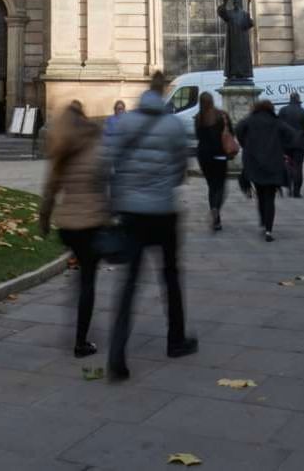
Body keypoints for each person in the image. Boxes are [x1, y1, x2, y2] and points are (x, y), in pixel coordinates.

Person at [104, 70, 197, 381]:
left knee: (128, 284)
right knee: (170, 277)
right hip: (162, 211)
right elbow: (181, 168)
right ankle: (176, 340)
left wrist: (122, 195)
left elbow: (111, 162)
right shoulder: (174, 125)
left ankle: (117, 355)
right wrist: (161, 184)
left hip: (131, 212)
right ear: (164, 93)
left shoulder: (126, 121)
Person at [38, 100, 110, 358]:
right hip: (90, 223)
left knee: (80, 273)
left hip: (68, 226)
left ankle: (75, 319)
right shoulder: (96, 146)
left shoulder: (62, 149)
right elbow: (105, 184)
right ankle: (81, 341)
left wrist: (44, 219)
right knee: (88, 281)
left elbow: (50, 189)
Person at [236, 99, 300, 242]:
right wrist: (283, 147)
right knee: (270, 197)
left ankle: (264, 221)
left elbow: (238, 129)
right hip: (273, 163)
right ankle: (269, 230)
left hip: (255, 163)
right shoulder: (276, 122)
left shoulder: (249, 120)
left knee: (260, 193)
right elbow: (292, 134)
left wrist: (245, 143)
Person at [194, 92, 234, 230]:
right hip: (220, 155)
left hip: (204, 156)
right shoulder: (221, 115)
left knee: (211, 186)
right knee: (221, 186)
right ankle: (216, 209)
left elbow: (198, 136)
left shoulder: (199, 118)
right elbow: (231, 133)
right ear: (212, 100)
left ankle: (216, 219)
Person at [277, 93, 304, 197]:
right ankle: (297, 192)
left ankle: (289, 187)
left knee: (288, 165)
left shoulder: (283, 110)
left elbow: (278, 126)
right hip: (299, 142)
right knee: (298, 166)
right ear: (298, 100)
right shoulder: (303, 112)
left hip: (286, 143)